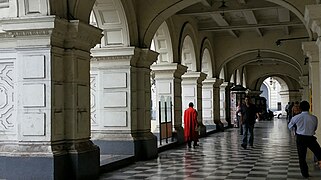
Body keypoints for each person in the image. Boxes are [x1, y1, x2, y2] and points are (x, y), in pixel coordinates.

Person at [288, 101, 321, 178]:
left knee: (302, 157)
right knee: (319, 153)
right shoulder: (314, 118)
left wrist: (294, 131)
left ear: (300, 108)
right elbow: (315, 128)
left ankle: (305, 174)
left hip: (300, 138)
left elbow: (290, 126)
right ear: (309, 107)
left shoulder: (296, 117)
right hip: (311, 138)